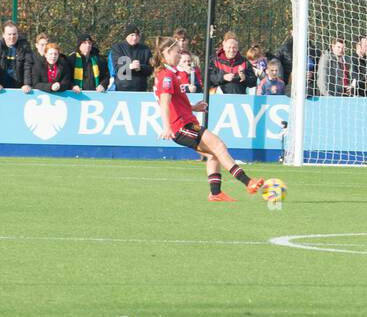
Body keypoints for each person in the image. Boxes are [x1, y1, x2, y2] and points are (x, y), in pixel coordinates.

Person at [152, 36, 264, 203]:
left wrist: (193, 107)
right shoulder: (166, 75)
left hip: (184, 123)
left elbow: (175, 101)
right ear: (166, 53)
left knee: (213, 155)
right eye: (177, 52)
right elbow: (165, 102)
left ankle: (216, 193)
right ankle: (249, 183)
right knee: (219, 146)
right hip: (181, 126)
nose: (179, 56)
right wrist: (166, 126)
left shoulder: (168, 74)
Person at [0, 21, 32, 93]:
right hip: (0, 86)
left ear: (18, 34)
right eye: (9, 34)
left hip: (19, 87)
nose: (12, 37)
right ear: (3, 35)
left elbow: (28, 66)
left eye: (14, 34)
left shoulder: (24, 45)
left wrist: (27, 84)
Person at [109, 24, 152, 92]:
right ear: (126, 36)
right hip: (122, 89)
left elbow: (150, 69)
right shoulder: (117, 48)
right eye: (132, 35)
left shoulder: (145, 49)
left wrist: (140, 68)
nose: (135, 38)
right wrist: (130, 66)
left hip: (140, 89)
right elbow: (117, 68)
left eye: (137, 35)